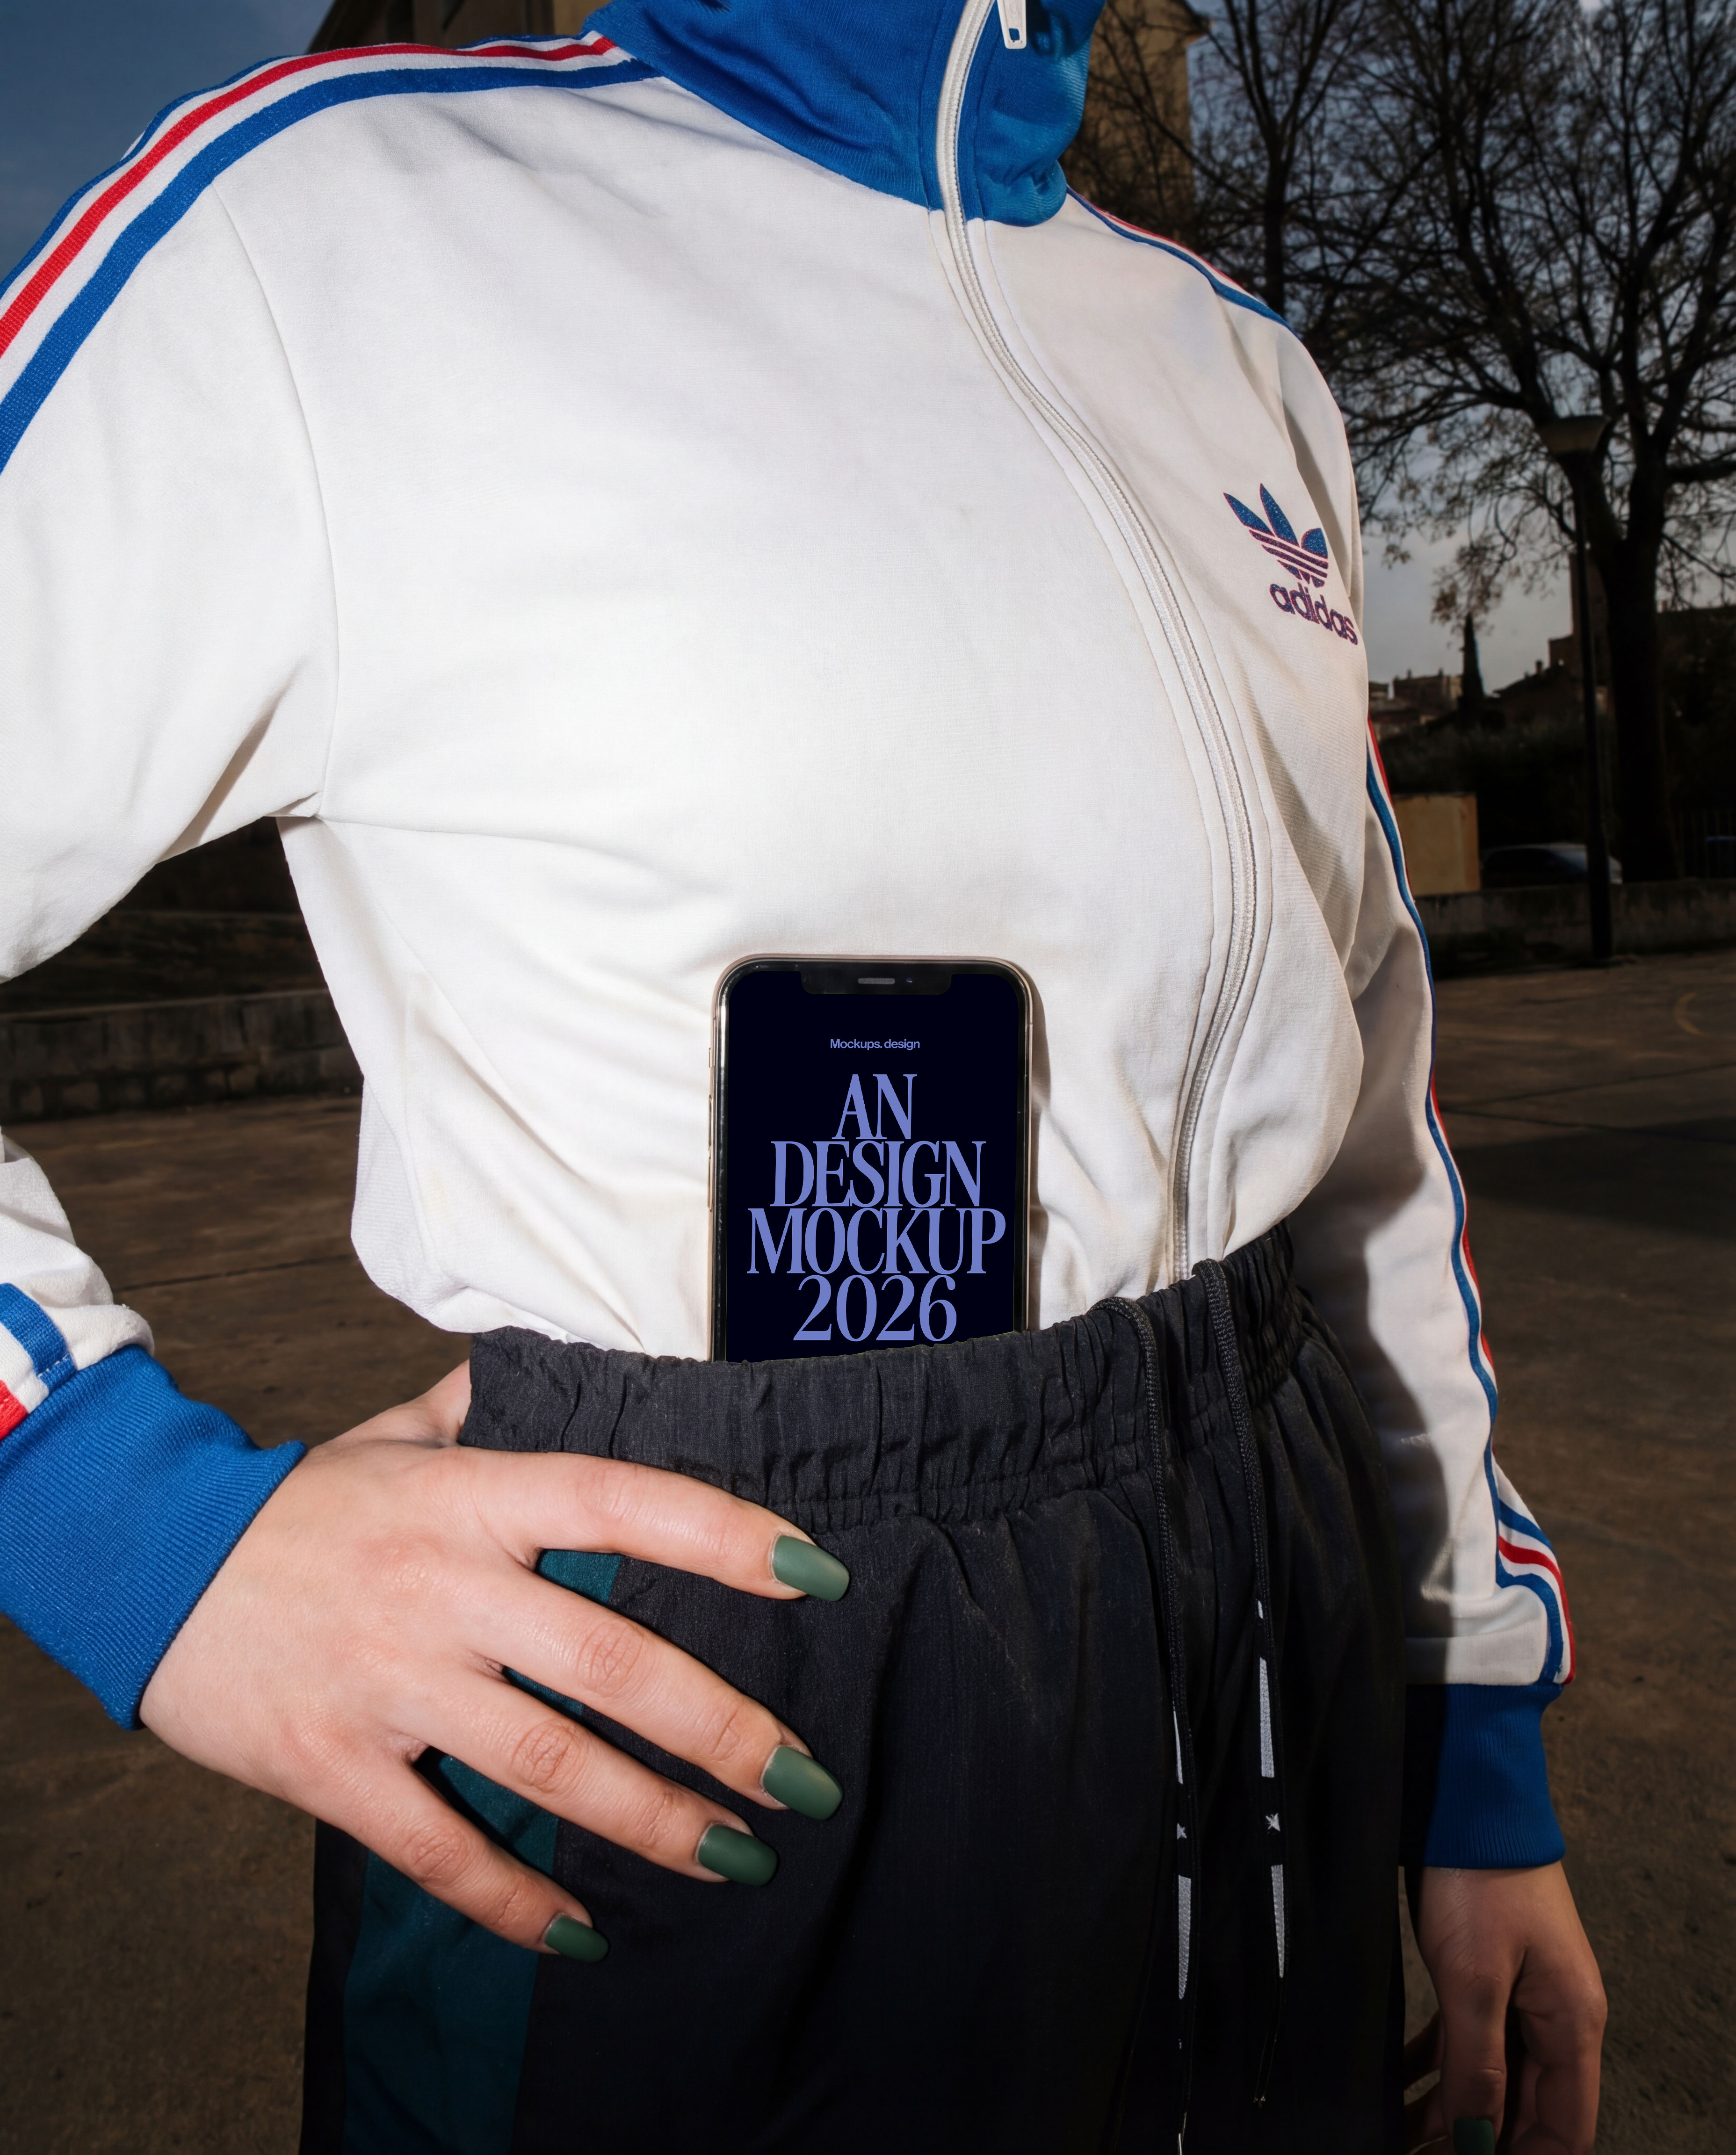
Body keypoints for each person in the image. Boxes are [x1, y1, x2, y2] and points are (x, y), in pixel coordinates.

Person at [0, 4, 1605, 2149]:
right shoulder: (330, 229)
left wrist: (1468, 1741)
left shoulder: (1239, 367)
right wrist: (123, 1521)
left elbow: (1363, 1136)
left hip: (1264, 1606)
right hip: (716, 1669)